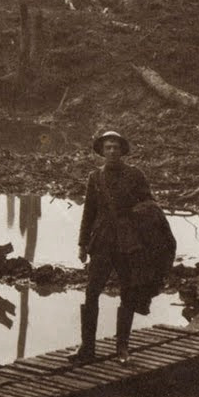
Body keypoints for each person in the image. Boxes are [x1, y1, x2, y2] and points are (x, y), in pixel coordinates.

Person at [73, 130, 155, 363]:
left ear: (122, 151)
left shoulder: (135, 175)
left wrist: (136, 220)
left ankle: (122, 348)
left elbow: (150, 205)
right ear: (101, 151)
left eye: (115, 148)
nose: (111, 151)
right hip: (101, 243)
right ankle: (87, 348)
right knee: (91, 293)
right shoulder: (94, 177)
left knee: (127, 292)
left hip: (128, 243)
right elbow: (88, 212)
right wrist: (82, 243)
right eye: (107, 147)